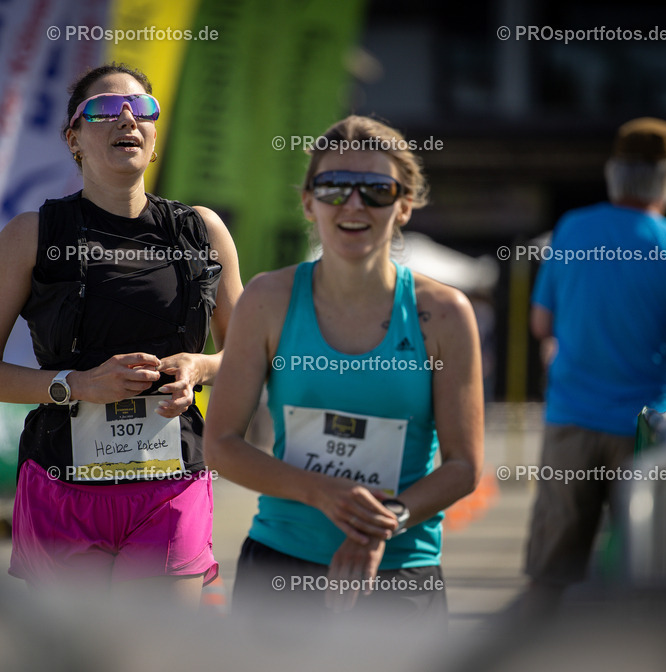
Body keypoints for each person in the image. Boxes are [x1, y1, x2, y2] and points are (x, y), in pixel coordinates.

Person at [0, 63, 243, 605]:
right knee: (77, 660)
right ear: (75, 138)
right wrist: (75, 384)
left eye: (142, 110)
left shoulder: (201, 231)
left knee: (153, 654)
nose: (128, 119)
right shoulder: (31, 235)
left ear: (155, 136)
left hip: (170, 478)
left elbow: (252, 355)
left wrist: (200, 368)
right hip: (63, 481)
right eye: (107, 110)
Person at [203, 115, 483, 630]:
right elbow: (220, 444)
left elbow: (463, 467)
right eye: (334, 188)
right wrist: (321, 492)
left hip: (399, 570)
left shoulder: (443, 312)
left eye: (376, 190)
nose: (354, 204)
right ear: (309, 202)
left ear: (404, 205)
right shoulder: (268, 299)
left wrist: (384, 523)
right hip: (282, 568)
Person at [524, 117, 666, 615]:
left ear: (615, 173)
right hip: (647, 428)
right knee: (649, 574)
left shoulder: (571, 228)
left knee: (551, 574)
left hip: (570, 418)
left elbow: (540, 322)